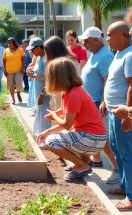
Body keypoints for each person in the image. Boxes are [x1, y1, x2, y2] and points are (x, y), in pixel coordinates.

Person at [37, 57, 107, 181]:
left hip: (92, 138)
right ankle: (85, 162)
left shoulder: (73, 94)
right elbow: (65, 114)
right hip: (94, 137)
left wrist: (54, 116)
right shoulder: (70, 91)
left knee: (51, 141)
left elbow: (67, 124)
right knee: (67, 134)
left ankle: (83, 166)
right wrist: (47, 130)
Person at [79, 27, 119, 184]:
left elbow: (108, 81)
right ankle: (94, 160)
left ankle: (116, 169)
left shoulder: (105, 57)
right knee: (95, 136)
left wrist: (103, 101)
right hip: (91, 103)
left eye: (87, 40)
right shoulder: (95, 54)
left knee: (102, 139)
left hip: (98, 104)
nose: (84, 43)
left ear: (96, 40)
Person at [104, 21, 132, 211]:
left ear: (121, 35)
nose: (107, 39)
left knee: (127, 153)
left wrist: (128, 114)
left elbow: (131, 85)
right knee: (116, 149)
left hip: (124, 114)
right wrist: (104, 101)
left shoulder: (129, 55)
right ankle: (125, 186)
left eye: (109, 35)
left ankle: (131, 196)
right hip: (114, 112)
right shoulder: (118, 54)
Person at [43, 36, 80, 112]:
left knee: (60, 119)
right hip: (60, 94)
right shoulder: (68, 59)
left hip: (64, 95)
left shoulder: (64, 62)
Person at [26, 37, 51, 139]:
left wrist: (41, 94)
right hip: (38, 92)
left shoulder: (45, 59)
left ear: (39, 48)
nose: (31, 52)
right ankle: (39, 135)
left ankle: (45, 138)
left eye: (33, 49)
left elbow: (47, 79)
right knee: (39, 114)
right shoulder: (39, 58)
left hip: (43, 94)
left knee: (44, 116)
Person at [3, 37, 25, 104]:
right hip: (9, 71)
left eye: (10, 43)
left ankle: (18, 93)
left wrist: (22, 69)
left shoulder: (20, 50)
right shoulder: (6, 51)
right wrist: (4, 70)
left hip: (18, 70)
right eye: (8, 43)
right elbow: (3, 61)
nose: (9, 44)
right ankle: (13, 99)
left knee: (19, 85)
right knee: (11, 86)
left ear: (14, 43)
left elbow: (23, 59)